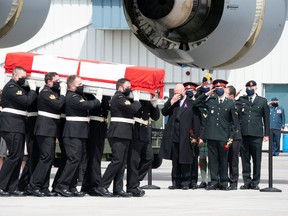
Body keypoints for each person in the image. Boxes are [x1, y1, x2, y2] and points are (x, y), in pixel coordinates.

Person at [54, 75, 102, 197]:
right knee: (73, 159)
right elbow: (87, 105)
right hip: (73, 133)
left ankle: (72, 186)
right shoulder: (72, 97)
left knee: (78, 160)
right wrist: (98, 100)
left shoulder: (79, 96)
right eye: (79, 84)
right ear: (71, 86)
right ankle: (62, 186)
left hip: (79, 132)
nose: (82, 86)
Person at [96, 78, 141, 197]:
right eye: (127, 86)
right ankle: (102, 186)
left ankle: (118, 189)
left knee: (121, 162)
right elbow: (133, 109)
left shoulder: (123, 98)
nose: (129, 88)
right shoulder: (119, 98)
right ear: (120, 87)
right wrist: (137, 100)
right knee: (117, 161)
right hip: (118, 133)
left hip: (124, 133)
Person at [194, 79, 239, 190]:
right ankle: (214, 182)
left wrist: (231, 137)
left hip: (224, 136)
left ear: (224, 89)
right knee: (212, 160)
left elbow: (235, 123)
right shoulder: (211, 101)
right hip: (212, 135)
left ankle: (224, 182)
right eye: (216, 89)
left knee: (223, 160)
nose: (219, 90)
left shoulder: (230, 103)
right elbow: (196, 103)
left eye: (220, 89)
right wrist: (207, 93)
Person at [27, 72, 66, 197]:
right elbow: (59, 104)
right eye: (57, 81)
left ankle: (44, 187)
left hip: (49, 129)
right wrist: (63, 93)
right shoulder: (45, 93)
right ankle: (34, 186)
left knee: (48, 158)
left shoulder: (51, 92)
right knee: (46, 157)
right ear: (49, 82)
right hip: (44, 129)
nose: (59, 83)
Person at [0, 66, 37, 196]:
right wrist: (32, 89)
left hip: (17, 124)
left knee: (18, 156)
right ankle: (1, 185)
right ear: (14, 75)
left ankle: (12, 187)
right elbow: (26, 101)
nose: (24, 79)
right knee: (14, 155)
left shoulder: (18, 88)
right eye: (22, 77)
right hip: (11, 125)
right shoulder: (11, 88)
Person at [160, 83, 200, 190]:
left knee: (186, 160)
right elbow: (164, 112)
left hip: (186, 136)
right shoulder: (174, 103)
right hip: (174, 135)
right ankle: (175, 181)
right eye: (175, 93)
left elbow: (196, 121)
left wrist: (195, 136)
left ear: (184, 91)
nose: (177, 95)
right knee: (175, 160)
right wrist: (171, 102)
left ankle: (186, 181)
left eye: (179, 93)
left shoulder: (191, 103)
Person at [238, 80, 270, 190]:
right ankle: (247, 181)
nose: (249, 89)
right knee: (245, 159)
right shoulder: (242, 100)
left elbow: (266, 119)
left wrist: (266, 134)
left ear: (256, 88)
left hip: (256, 135)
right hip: (244, 134)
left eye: (251, 87)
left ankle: (255, 182)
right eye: (247, 87)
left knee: (257, 159)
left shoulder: (262, 101)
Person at [126, 96, 160, 196]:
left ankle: (135, 181)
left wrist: (155, 105)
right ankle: (132, 186)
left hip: (145, 131)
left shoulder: (148, 101)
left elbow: (156, 117)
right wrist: (136, 99)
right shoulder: (132, 99)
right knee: (133, 161)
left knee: (149, 158)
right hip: (135, 130)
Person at [81, 95, 110, 196]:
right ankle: (95, 185)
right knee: (93, 158)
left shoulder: (105, 95)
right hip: (93, 127)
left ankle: (87, 186)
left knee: (95, 158)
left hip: (101, 127)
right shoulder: (88, 94)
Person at [183, 82, 201, 189]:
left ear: (195, 92)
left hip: (195, 134)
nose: (189, 92)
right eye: (187, 91)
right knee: (185, 159)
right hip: (185, 135)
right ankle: (186, 180)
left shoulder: (197, 103)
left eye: (192, 91)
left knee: (194, 159)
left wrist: (197, 136)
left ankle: (193, 180)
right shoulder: (183, 103)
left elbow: (200, 121)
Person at [225, 85, 242, 190]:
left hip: (235, 137)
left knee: (233, 160)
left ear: (231, 96)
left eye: (226, 93)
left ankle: (233, 182)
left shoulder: (237, 105)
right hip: (224, 135)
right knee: (223, 160)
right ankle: (223, 181)